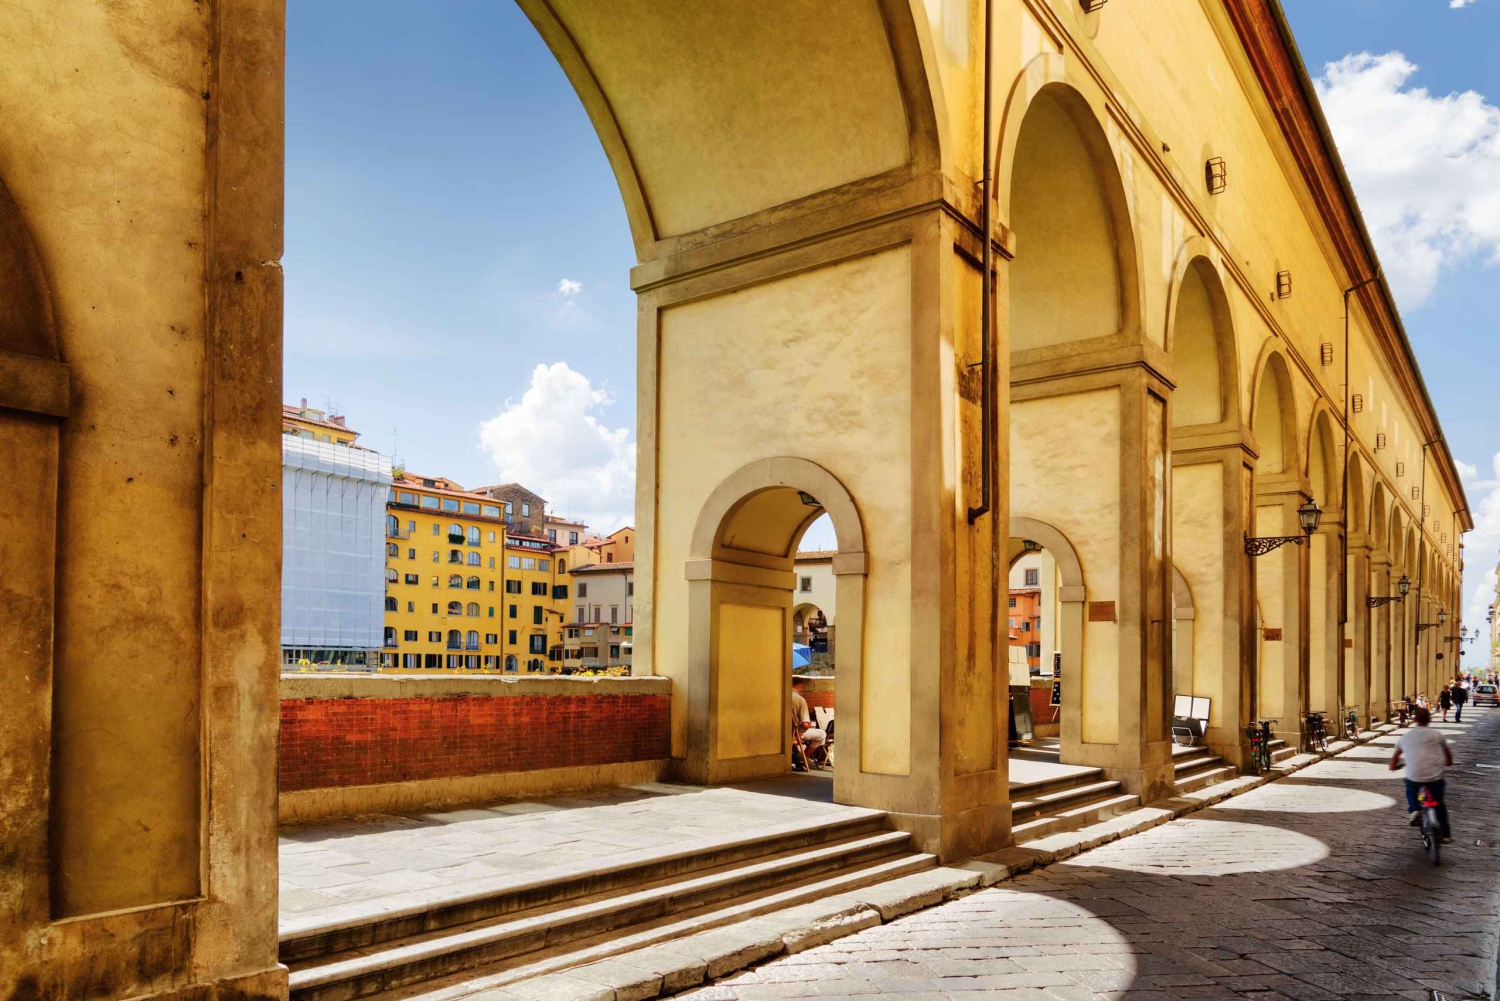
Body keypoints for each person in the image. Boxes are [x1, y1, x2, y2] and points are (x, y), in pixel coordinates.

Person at [1389, 705, 1453, 842]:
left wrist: (1394, 766)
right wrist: (1447, 762)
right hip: (1435, 777)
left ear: (1415, 720)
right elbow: (1448, 756)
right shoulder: (1437, 735)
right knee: (1439, 804)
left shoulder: (1406, 736)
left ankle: (1415, 809)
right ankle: (1446, 834)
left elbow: (1394, 760)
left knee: (1410, 787)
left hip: (1414, 776)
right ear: (1429, 720)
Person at [791, 678, 828, 770]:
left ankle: (798, 755)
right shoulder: (799, 699)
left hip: (780, 733)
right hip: (795, 734)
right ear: (800, 686)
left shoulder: (780, 696)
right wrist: (809, 724)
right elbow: (804, 725)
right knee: (822, 734)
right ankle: (802, 759)